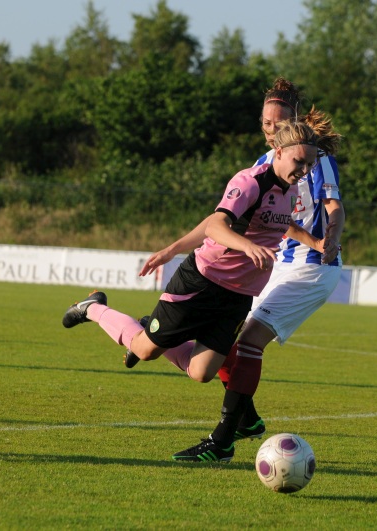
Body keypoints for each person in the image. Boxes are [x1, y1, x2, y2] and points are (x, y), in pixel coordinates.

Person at [62, 118, 333, 462]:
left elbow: (278, 225)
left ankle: (159, 332)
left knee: (201, 373)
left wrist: (314, 241)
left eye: (310, 164)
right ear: (278, 152)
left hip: (238, 296)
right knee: (144, 351)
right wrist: (236, 248)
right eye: (299, 161)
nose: (305, 170)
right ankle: (93, 307)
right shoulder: (250, 181)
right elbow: (217, 223)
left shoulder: (290, 190)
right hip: (201, 283)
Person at [139, 78, 344, 462]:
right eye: (265, 122)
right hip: (275, 264)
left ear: (294, 122)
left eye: (278, 122)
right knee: (228, 342)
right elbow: (260, 219)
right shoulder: (264, 164)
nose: (270, 129)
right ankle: (245, 419)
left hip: (311, 268)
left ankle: (223, 441)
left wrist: (329, 236)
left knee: (248, 343)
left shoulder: (311, 157)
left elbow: (333, 206)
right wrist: (172, 248)